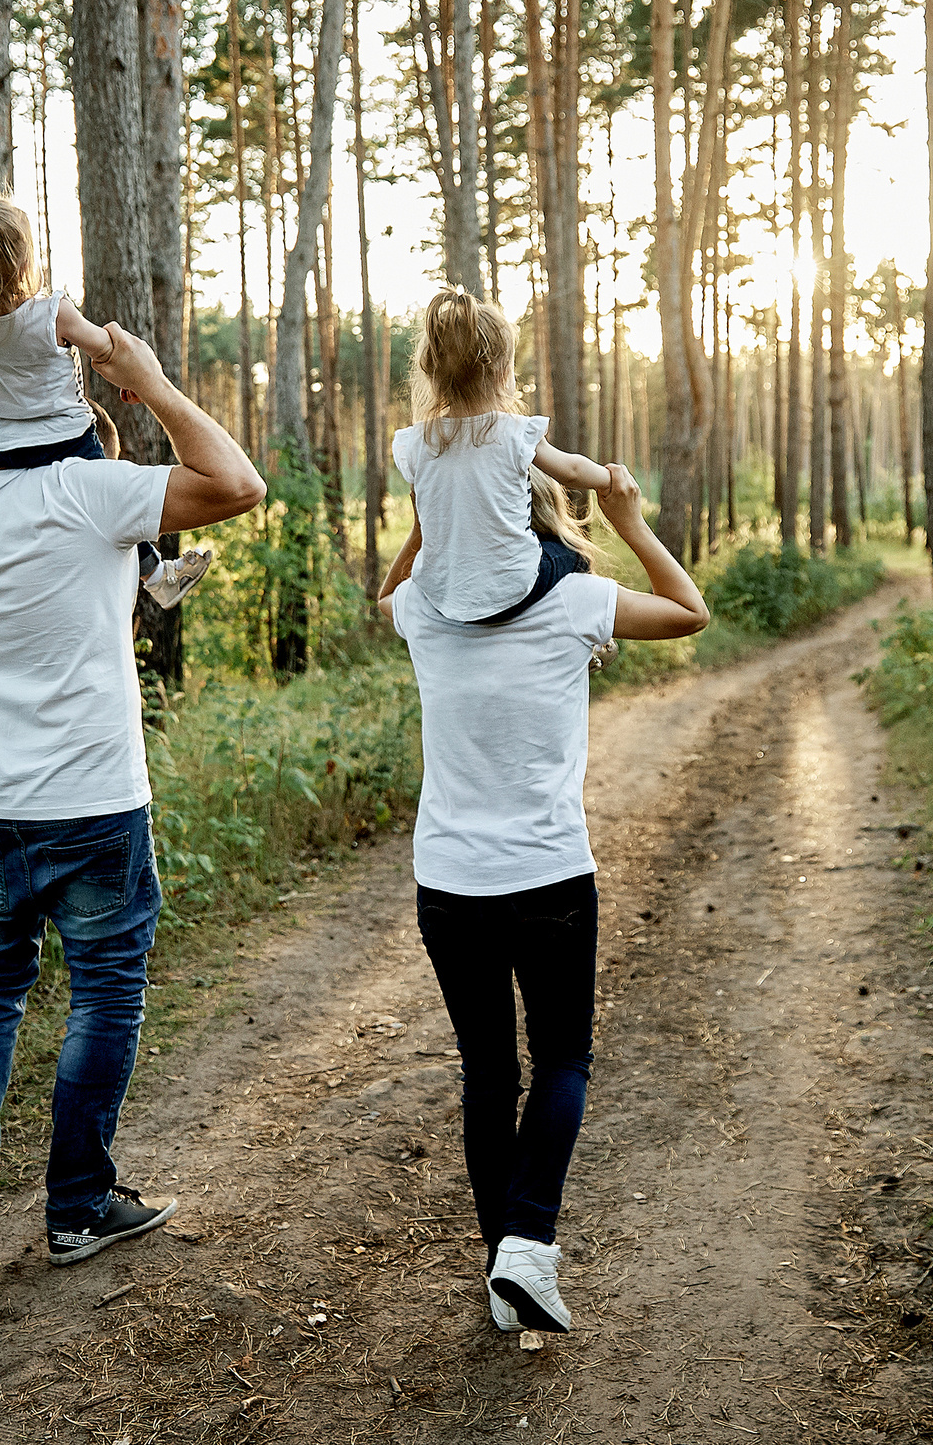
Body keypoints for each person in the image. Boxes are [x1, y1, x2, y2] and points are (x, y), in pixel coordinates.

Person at [0, 308, 264, 1274]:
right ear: (74, 417)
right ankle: (78, 1206)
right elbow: (238, 483)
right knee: (104, 992)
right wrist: (140, 372)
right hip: (93, 800)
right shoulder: (93, 493)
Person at [378, 407, 709, 1335]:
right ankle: (526, 1245)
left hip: (449, 883)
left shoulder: (424, 612)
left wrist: (427, 510)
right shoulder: (575, 602)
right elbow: (690, 610)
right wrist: (634, 523)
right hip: (549, 877)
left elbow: (388, 590)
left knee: (489, 1071)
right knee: (562, 1056)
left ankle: (504, 1267)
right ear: (538, 505)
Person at [0, 180, 213, 609]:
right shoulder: (51, 313)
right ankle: (159, 576)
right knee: (110, 505)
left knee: (23, 518)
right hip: (66, 438)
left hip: (2, 449)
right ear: (23, 259)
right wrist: (129, 367)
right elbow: (103, 347)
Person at [388, 285, 615, 628]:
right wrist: (609, 479)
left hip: (442, 594)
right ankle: (598, 640)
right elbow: (570, 471)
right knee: (574, 555)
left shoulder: (416, 442)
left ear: (433, 377)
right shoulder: (513, 431)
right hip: (514, 589)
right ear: (501, 373)